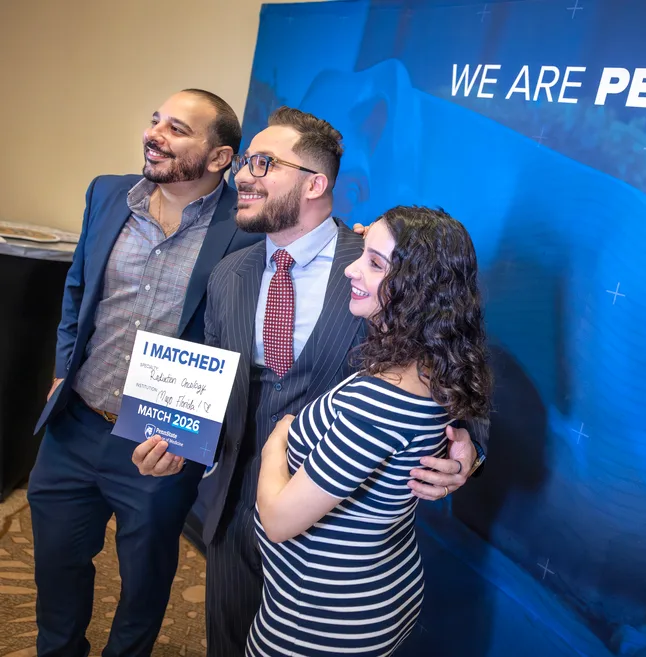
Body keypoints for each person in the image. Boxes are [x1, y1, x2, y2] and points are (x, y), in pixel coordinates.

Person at [131, 107, 488, 656]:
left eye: (262, 163)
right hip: (231, 514)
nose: (243, 175)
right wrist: (175, 441)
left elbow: (451, 348)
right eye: (245, 162)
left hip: (332, 555)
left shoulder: (382, 270)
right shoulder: (230, 274)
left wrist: (469, 442)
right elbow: (213, 381)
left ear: (316, 182)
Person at [27, 89, 259, 657]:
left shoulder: (244, 227)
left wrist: (196, 437)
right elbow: (79, 289)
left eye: (178, 129)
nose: (155, 134)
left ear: (219, 158)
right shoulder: (107, 194)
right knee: (56, 566)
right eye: (157, 121)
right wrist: (62, 370)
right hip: (75, 425)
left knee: (144, 581)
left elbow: (241, 344)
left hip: (160, 443)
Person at [252, 204, 492, 656]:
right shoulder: (428, 367)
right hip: (371, 588)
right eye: (363, 253)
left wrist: (277, 440)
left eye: (375, 263)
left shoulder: (377, 405)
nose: (351, 269)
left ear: (419, 289)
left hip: (322, 616)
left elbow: (279, 521)